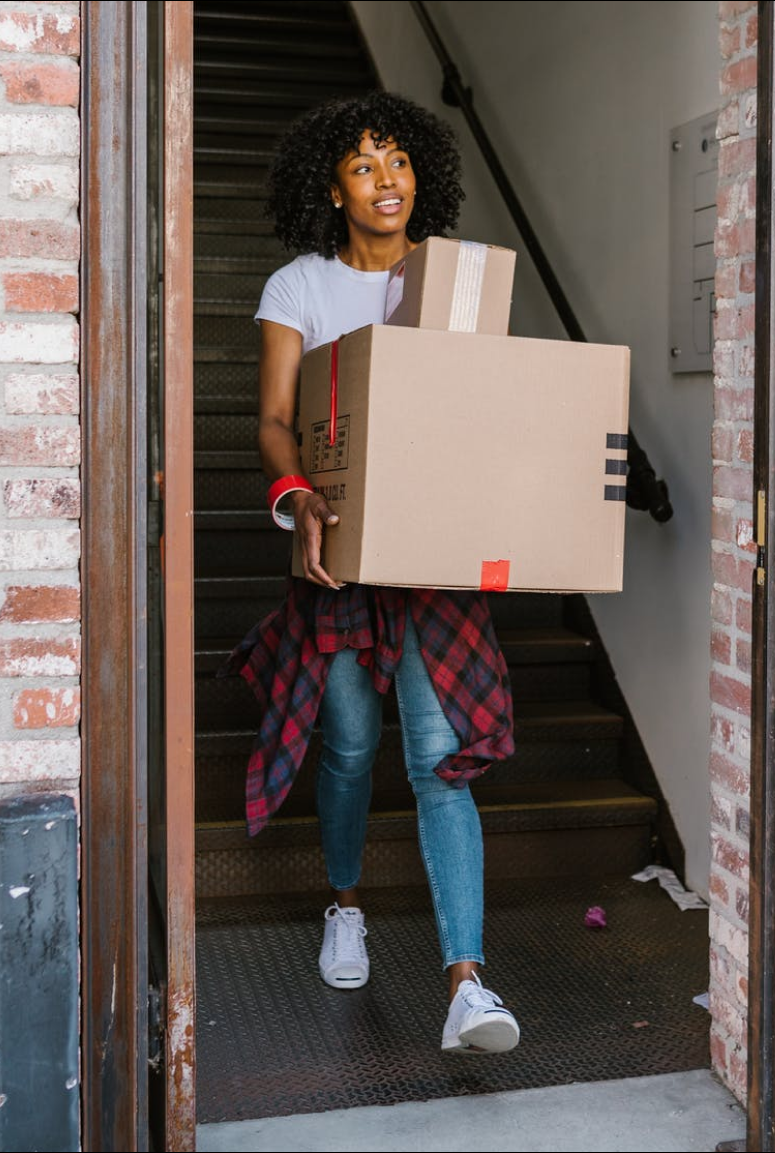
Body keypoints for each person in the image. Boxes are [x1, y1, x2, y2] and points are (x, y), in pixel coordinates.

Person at [222, 91, 521, 1055]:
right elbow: (273, 417)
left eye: (397, 160)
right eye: (362, 164)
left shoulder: (454, 282)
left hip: (433, 563)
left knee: (440, 764)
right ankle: (343, 902)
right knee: (349, 747)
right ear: (331, 186)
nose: (386, 179)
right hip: (338, 556)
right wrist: (298, 494)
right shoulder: (299, 286)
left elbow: (487, 411)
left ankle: (467, 983)